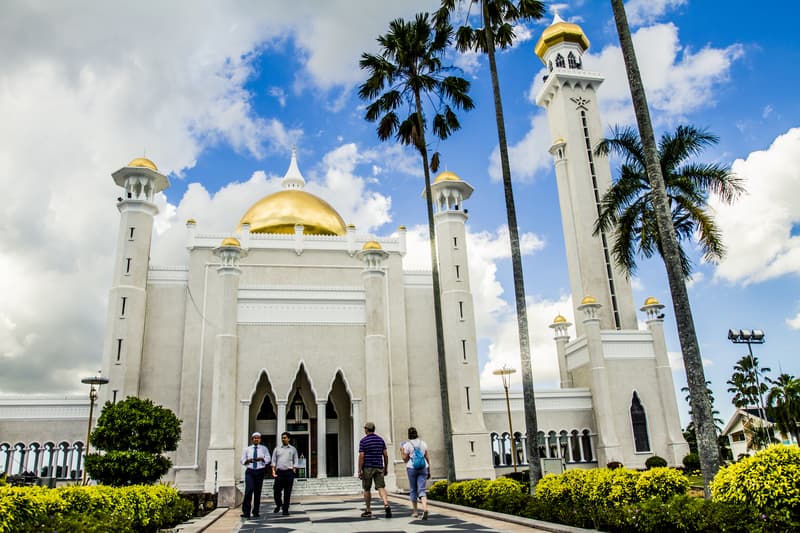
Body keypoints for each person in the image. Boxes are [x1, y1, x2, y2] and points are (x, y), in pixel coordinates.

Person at [358, 421, 391, 518]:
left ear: (367, 429)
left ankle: (368, 510)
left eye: (365, 428)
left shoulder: (363, 441)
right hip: (379, 467)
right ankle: (386, 504)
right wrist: (386, 467)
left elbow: (361, 456)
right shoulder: (380, 440)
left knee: (367, 489)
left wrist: (359, 470)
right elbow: (385, 455)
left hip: (367, 467)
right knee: (381, 487)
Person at [400, 426, 430, 520]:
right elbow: (427, 457)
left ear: (409, 435)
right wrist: (429, 470)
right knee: (422, 490)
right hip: (423, 467)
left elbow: (405, 459)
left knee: (413, 489)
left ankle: (415, 512)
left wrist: (402, 451)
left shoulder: (407, 445)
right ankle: (425, 508)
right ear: (417, 434)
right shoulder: (423, 443)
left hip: (412, 468)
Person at [240, 432, 270, 518]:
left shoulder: (264, 449)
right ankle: (246, 512)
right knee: (248, 490)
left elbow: (268, 459)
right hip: (250, 471)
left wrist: (262, 459)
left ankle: (256, 511)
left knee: (257, 492)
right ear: (252, 439)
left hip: (260, 471)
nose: (256, 439)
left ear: (260, 439)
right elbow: (242, 460)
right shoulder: (247, 449)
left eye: (258, 438)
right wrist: (247, 461)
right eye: (255, 438)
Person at [271, 431, 299, 516]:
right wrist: (273, 471)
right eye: (282, 438)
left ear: (289, 439)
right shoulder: (277, 449)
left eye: (285, 438)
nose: (283, 439)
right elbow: (273, 461)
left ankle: (285, 509)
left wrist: (294, 469)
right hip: (279, 472)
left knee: (287, 492)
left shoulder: (293, 449)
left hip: (289, 473)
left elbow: (296, 460)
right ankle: (279, 504)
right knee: (276, 491)